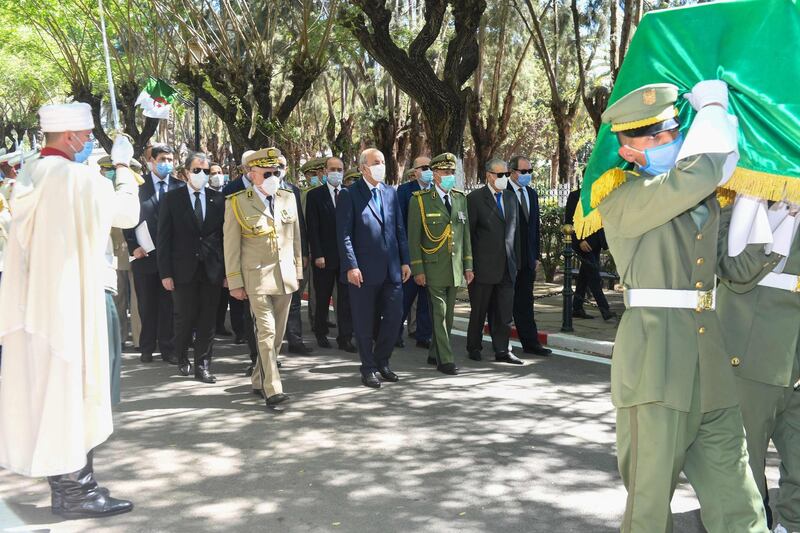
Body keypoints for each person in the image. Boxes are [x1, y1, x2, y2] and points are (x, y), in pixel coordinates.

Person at [596, 81, 768, 532]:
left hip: (708, 363)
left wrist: (775, 217)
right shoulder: (621, 199)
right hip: (656, 364)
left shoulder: (701, 202)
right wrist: (714, 109)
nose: (667, 141)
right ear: (630, 152)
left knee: (739, 499)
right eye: (652, 137)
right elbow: (695, 176)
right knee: (650, 508)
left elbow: (732, 267)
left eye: (670, 130)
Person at [0, 103, 138, 518]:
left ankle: (70, 488)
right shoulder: (77, 178)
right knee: (79, 390)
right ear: (70, 137)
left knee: (54, 393)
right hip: (73, 303)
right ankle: (77, 492)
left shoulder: (29, 175)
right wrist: (125, 167)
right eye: (88, 134)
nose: (90, 141)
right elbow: (127, 213)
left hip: (39, 308)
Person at [716, 202, 799, 532]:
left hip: (794, 352)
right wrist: (779, 214)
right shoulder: (736, 198)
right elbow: (733, 270)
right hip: (752, 350)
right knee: (744, 465)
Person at [224, 147, 302, 411]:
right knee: (266, 332)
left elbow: (296, 241)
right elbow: (231, 246)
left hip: (285, 277)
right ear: (252, 174)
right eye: (266, 173)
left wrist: (298, 271)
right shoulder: (236, 202)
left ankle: (259, 378)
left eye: (276, 172)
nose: (273, 177)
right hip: (256, 278)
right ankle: (273, 389)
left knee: (277, 335)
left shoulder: (288, 198)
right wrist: (234, 282)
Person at [336, 148, 411, 388]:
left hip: (392, 270)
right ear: (362, 168)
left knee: (394, 318)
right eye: (375, 163)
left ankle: (383, 362)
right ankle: (367, 367)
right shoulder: (350, 194)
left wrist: (405, 260)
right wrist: (351, 266)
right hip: (363, 272)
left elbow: (399, 229)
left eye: (382, 162)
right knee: (364, 322)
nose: (381, 166)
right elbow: (344, 234)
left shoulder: (390, 192)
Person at [158, 151, 226, 383]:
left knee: (208, 320)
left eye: (206, 171)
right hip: (182, 270)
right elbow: (164, 239)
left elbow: (223, 239)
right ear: (186, 172)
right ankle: (181, 356)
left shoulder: (218, 200)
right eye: (197, 170)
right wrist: (166, 273)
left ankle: (203, 366)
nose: (202, 175)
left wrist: (226, 272)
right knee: (185, 318)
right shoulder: (172, 199)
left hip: (211, 270)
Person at [407, 152, 473, 375]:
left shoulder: (460, 198)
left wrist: (468, 266)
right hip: (433, 266)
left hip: (454, 268)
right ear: (435, 174)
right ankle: (445, 359)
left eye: (452, 172)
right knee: (440, 313)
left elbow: (465, 236)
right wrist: (418, 269)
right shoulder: (420, 201)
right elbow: (414, 239)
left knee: (450, 315)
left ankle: (434, 352)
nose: (450, 176)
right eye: (446, 172)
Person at [124, 143, 183, 363]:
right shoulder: (139, 187)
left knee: (168, 305)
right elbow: (127, 221)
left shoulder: (179, 187)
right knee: (146, 305)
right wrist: (133, 247)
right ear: (151, 161)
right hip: (144, 257)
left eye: (170, 159)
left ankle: (168, 349)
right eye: (162, 160)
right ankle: (147, 347)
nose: (167, 163)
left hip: (170, 259)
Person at [466, 158, 522, 365]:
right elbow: (468, 236)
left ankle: (502, 350)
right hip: (483, 267)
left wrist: (517, 262)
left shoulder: (510, 198)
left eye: (507, 175)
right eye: (500, 175)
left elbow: (515, 233)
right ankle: (474, 346)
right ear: (489, 175)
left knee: (504, 313)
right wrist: (469, 266)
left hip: (507, 267)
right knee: (479, 311)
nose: (504, 178)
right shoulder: (474, 199)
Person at [305, 156, 356, 352]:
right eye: (332, 169)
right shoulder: (315, 195)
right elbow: (313, 228)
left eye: (340, 169)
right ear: (325, 172)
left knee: (345, 300)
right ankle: (321, 332)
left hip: (345, 257)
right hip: (324, 257)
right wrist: (317, 254)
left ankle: (345, 337)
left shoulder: (348, 193)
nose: (336, 173)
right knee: (323, 296)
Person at [507, 155, 553, 355]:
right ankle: (500, 344)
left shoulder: (532, 194)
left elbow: (535, 228)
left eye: (529, 172)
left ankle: (531, 343)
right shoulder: (502, 192)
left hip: (527, 260)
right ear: (512, 172)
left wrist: (536, 256)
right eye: (523, 172)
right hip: (507, 258)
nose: (527, 175)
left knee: (525, 302)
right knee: (502, 303)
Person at [222, 151, 259, 372]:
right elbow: (228, 235)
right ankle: (257, 359)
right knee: (250, 314)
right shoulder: (231, 192)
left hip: (270, 269)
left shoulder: (279, 193)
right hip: (246, 265)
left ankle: (266, 359)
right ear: (246, 169)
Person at [396, 156, 434, 350]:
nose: (429, 170)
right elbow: (400, 224)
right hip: (411, 252)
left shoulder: (436, 190)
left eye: (431, 167)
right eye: (424, 167)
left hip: (432, 253)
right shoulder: (405, 191)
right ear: (415, 172)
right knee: (405, 297)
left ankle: (423, 335)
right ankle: (394, 333)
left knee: (426, 299)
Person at [564, 185, 616, 321]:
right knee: (594, 276)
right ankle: (605, 310)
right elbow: (569, 222)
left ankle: (577, 308)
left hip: (596, 243)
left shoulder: (601, 195)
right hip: (582, 244)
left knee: (585, 275)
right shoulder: (575, 196)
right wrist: (580, 240)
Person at [278, 155, 313, 355]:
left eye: (283, 166)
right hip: (269, 257)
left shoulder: (293, 190)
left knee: (294, 300)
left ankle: (295, 340)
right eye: (277, 166)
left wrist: (304, 253)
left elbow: (300, 224)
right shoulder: (260, 189)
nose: (280, 170)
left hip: (291, 255)